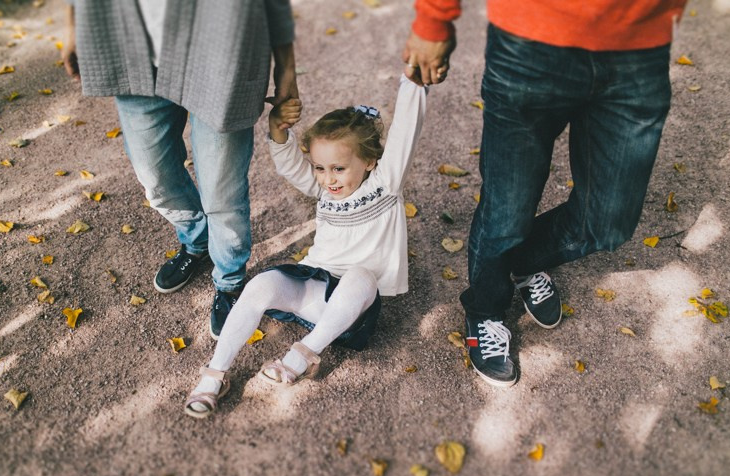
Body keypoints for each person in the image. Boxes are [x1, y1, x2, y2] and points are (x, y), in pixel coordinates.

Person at [404, 0, 686, 387]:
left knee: (607, 223)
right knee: (507, 211)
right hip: (531, 41)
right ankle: (485, 308)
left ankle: (518, 262)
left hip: (638, 46)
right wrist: (434, 18)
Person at [184, 74, 428, 418]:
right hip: (311, 292)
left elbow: (405, 132)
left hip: (348, 310)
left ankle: (299, 358)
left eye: (339, 168)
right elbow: (294, 169)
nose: (328, 179)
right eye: (321, 168)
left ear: (370, 162)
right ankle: (214, 375)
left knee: (360, 276)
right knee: (262, 283)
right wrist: (280, 132)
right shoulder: (324, 189)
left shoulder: (384, 184)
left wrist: (413, 83)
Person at [61, 0, 298, 338]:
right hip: (134, 51)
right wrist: (73, 25)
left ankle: (230, 281)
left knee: (222, 192)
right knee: (154, 177)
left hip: (221, 53)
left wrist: (286, 68)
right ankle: (198, 240)